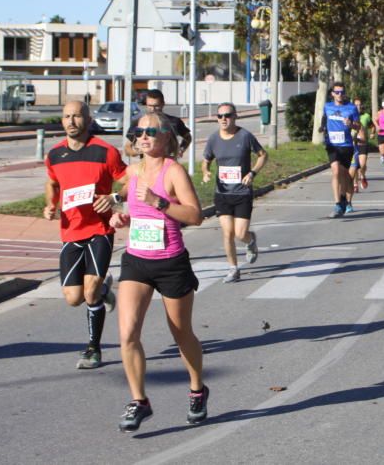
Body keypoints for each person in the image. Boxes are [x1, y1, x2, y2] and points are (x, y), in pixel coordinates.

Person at [110, 112, 207, 432]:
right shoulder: (133, 171)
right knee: (127, 334)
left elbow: (195, 216)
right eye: (139, 132)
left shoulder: (173, 171)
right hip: (136, 260)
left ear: (167, 137)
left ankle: (197, 388)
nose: (144, 136)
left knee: (181, 334)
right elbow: (127, 206)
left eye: (152, 131)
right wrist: (120, 219)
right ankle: (139, 401)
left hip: (170, 263)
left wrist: (159, 203)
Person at [44, 101, 125, 370]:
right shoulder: (54, 154)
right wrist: (51, 204)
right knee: (73, 298)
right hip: (70, 231)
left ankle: (93, 349)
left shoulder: (106, 152)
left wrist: (113, 198)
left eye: (77, 115)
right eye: (66, 116)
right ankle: (103, 291)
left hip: (99, 230)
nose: (71, 121)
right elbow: (52, 182)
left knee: (89, 293)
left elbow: (128, 180)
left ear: (88, 119)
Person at [202, 102, 267, 282]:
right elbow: (206, 159)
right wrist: (206, 171)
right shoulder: (214, 138)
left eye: (228, 115)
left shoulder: (245, 136)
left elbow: (263, 155)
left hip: (242, 194)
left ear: (235, 116)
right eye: (220, 116)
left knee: (240, 234)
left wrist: (252, 173)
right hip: (222, 193)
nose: (224, 119)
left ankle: (250, 240)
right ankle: (233, 268)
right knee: (227, 233)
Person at [320, 82, 359, 218]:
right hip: (332, 145)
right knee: (336, 171)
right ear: (332, 94)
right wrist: (322, 128)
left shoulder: (351, 108)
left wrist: (351, 124)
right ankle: (338, 204)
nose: (339, 94)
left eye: (342, 92)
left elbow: (358, 127)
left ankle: (344, 198)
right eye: (337, 92)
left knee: (345, 175)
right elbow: (324, 120)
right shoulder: (327, 106)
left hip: (346, 146)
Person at [125, 89, 192, 159]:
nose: (153, 109)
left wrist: (181, 149)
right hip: (147, 165)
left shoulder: (174, 122)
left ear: (163, 104)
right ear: (146, 104)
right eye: (150, 106)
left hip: (168, 165)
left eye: (156, 106)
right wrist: (138, 151)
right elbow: (127, 148)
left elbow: (188, 137)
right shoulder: (139, 123)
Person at [350, 97, 373, 192]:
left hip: (362, 143)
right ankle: (355, 184)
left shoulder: (366, 116)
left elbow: (372, 126)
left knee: (362, 165)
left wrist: (372, 133)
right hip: (352, 144)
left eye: (360, 105)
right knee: (354, 166)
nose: (358, 107)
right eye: (356, 105)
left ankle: (362, 175)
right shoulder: (349, 116)